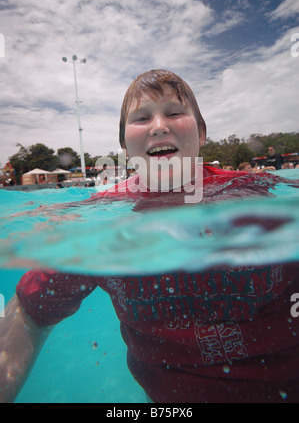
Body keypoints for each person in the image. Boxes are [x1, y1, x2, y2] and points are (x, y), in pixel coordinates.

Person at [1, 69, 299, 404]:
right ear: (125, 146)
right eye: (142, 118)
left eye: (174, 112)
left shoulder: (260, 195)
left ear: (201, 134)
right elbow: (31, 309)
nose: (159, 125)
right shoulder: (97, 223)